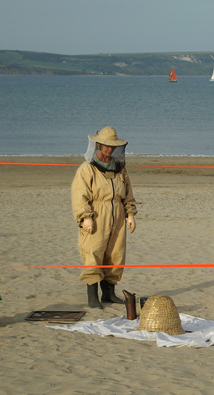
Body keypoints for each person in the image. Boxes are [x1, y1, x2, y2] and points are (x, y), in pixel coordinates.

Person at [71, 127, 138, 309]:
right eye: (106, 146)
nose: (109, 150)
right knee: (93, 252)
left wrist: (130, 213)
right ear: (99, 145)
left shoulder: (120, 169)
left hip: (117, 215)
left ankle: (109, 294)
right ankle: (93, 298)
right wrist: (85, 217)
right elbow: (79, 195)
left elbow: (128, 193)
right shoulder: (87, 169)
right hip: (97, 214)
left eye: (112, 147)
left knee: (115, 254)